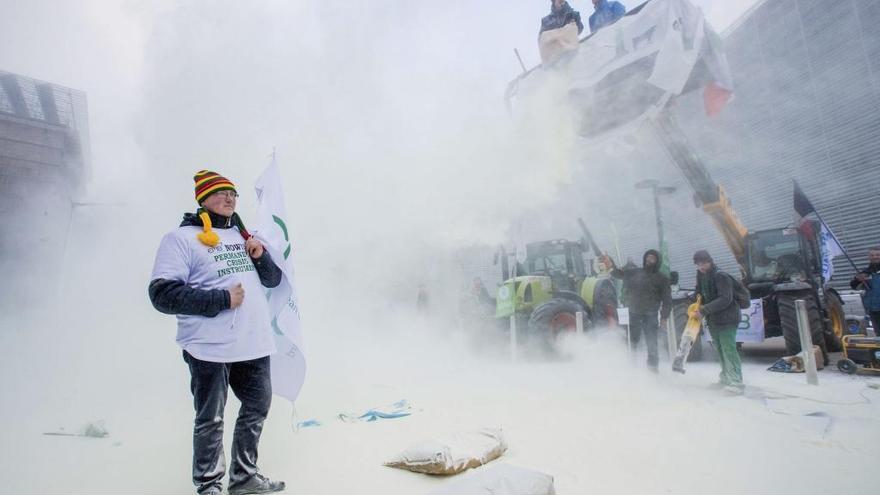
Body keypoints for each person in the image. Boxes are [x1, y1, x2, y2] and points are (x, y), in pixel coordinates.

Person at [149, 170, 286, 495]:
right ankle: (209, 485)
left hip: (254, 344)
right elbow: (161, 294)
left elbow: (273, 281)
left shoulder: (244, 235)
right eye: (220, 193)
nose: (229, 198)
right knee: (210, 418)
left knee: (257, 407)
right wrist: (222, 299)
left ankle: (244, 478)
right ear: (203, 199)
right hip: (209, 348)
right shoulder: (181, 239)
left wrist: (260, 256)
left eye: (233, 194)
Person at [609, 249, 672, 372]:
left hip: (651, 315)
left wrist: (664, 317)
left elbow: (667, 300)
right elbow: (617, 274)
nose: (649, 260)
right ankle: (632, 368)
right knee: (632, 341)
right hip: (634, 313)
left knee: (652, 343)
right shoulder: (635, 272)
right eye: (647, 257)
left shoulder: (662, 279)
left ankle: (653, 370)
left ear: (657, 261)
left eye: (652, 258)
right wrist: (610, 264)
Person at [692, 250, 744, 395]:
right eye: (698, 264)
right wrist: (693, 304)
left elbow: (725, 299)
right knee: (720, 350)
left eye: (703, 263)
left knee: (729, 349)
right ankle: (726, 379)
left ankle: (736, 382)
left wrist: (703, 310)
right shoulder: (702, 276)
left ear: (710, 261)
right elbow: (699, 295)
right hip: (713, 319)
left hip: (728, 319)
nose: (701, 266)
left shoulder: (720, 275)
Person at [850, 246, 880, 335]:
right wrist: (857, 279)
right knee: (878, 335)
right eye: (872, 255)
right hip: (873, 310)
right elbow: (854, 286)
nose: (875, 257)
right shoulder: (865, 273)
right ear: (869, 257)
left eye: (878, 255)